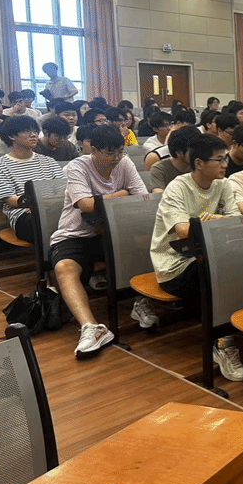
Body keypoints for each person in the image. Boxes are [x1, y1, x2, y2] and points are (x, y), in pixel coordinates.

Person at [149, 134, 243, 381]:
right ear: (199, 163)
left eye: (225, 158)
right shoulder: (178, 187)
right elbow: (183, 231)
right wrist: (217, 223)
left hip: (209, 254)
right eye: (219, 160)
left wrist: (216, 220)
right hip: (174, 264)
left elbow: (236, 220)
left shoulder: (223, 184)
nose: (225, 164)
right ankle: (222, 344)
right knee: (219, 274)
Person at [49, 125, 149, 358]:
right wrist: (122, 194)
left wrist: (120, 196)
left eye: (120, 152)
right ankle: (91, 328)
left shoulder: (124, 163)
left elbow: (143, 197)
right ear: (93, 150)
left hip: (114, 231)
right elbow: (86, 205)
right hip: (76, 233)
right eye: (110, 153)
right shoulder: (78, 166)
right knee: (64, 267)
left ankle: (141, 303)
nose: (116, 158)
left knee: (145, 246)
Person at [0, 116, 65, 243]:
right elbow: (11, 201)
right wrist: (36, 204)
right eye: (27, 131)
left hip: (56, 209)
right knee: (42, 222)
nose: (33, 135)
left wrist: (46, 204)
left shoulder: (48, 161)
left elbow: (64, 189)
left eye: (35, 131)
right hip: (24, 215)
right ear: (11, 136)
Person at [149, 126, 201, 192]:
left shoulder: (201, 164)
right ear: (179, 153)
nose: (198, 154)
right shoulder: (160, 168)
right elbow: (158, 192)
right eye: (193, 151)